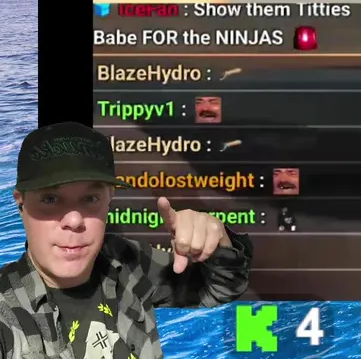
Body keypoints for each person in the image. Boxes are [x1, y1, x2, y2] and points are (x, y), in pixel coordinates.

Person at [0, 122, 253, 359]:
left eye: (90, 198)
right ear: (21, 203)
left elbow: (220, 289)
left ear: (109, 198)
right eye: (50, 199)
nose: (75, 220)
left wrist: (218, 242)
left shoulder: (126, 260)